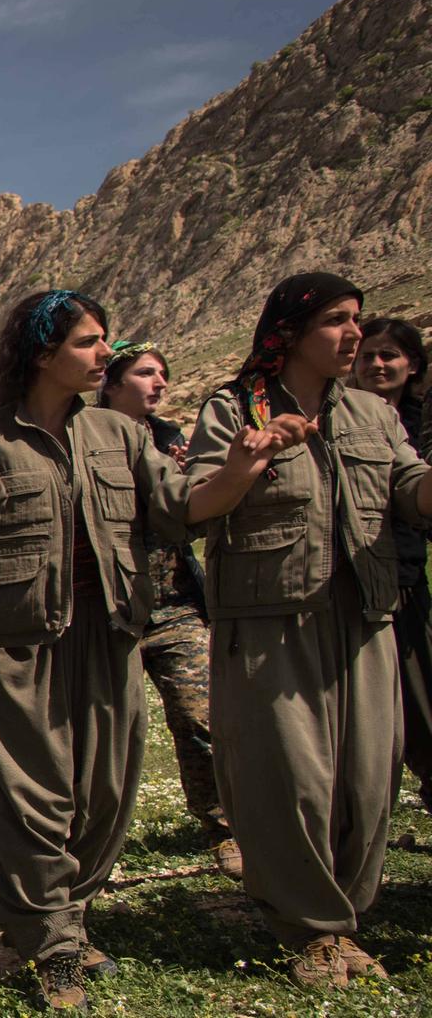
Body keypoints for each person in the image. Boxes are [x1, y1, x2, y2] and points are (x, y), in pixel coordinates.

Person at [0, 289, 308, 1010]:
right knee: (29, 800)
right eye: (90, 342)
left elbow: (183, 509)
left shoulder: (122, 436)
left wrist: (243, 468)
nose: (104, 354)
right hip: (19, 646)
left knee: (104, 795)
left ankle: (72, 917)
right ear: (42, 352)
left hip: (112, 636)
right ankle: (54, 945)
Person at [187, 276, 432, 987]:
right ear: (290, 332)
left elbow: (411, 491)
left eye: (357, 321)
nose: (354, 335)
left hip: (365, 619)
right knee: (289, 779)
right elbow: (194, 507)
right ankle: (311, 930)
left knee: (368, 778)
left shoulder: (374, 416)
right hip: (272, 625)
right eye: (336, 321)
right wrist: (243, 465)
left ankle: (345, 917)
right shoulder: (233, 409)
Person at [97, 341, 240, 877]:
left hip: (176, 604)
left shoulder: (170, 439)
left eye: (163, 374)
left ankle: (224, 830)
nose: (159, 383)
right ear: (111, 383)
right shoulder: (83, 437)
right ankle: (92, 848)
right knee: (106, 737)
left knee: (200, 717)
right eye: (144, 373)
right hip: (112, 608)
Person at [351, 317, 432, 810]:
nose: (377, 365)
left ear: (412, 364)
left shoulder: (422, 421)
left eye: (388, 356)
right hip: (354, 579)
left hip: (406, 577)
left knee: (422, 702)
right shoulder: (336, 417)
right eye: (367, 356)